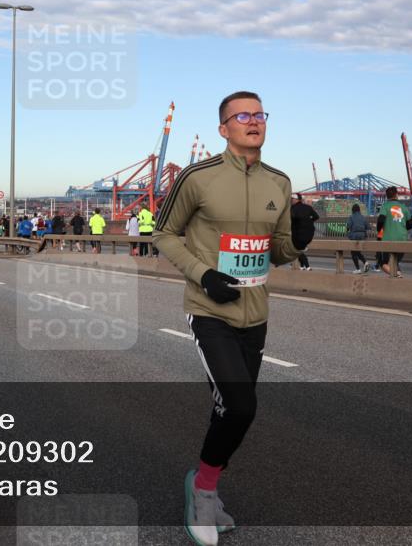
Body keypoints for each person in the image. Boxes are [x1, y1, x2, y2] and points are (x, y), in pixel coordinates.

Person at [153, 91, 303, 546]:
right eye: (242, 116)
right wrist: (203, 274)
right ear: (224, 129)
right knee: (239, 405)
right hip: (209, 309)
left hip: (256, 312)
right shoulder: (197, 177)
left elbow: (279, 251)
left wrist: (300, 240)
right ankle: (201, 492)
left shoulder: (279, 181)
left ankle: (209, 486)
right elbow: (163, 232)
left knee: (233, 412)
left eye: (260, 114)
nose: (253, 121)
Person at [376, 186, 412, 278]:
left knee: (383, 262)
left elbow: (381, 220)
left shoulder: (385, 206)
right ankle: (397, 275)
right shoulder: (404, 207)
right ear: (397, 195)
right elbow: (411, 224)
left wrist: (379, 229)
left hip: (388, 239)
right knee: (395, 261)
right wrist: (402, 229)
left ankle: (396, 274)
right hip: (402, 238)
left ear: (387, 196)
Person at [290, 193, 319, 270]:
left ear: (296, 200)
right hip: (310, 235)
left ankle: (307, 266)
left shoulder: (292, 209)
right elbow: (316, 216)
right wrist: (309, 221)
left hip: (298, 235)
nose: (291, 201)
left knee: (295, 249)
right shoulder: (308, 207)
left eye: (292, 199)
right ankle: (302, 266)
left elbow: (290, 220)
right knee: (299, 249)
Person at [346, 203, 371, 273]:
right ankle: (365, 262)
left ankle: (358, 269)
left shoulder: (351, 217)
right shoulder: (363, 217)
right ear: (359, 210)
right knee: (357, 252)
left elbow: (348, 226)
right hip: (362, 236)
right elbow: (368, 227)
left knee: (353, 252)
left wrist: (348, 234)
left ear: (352, 210)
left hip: (354, 236)